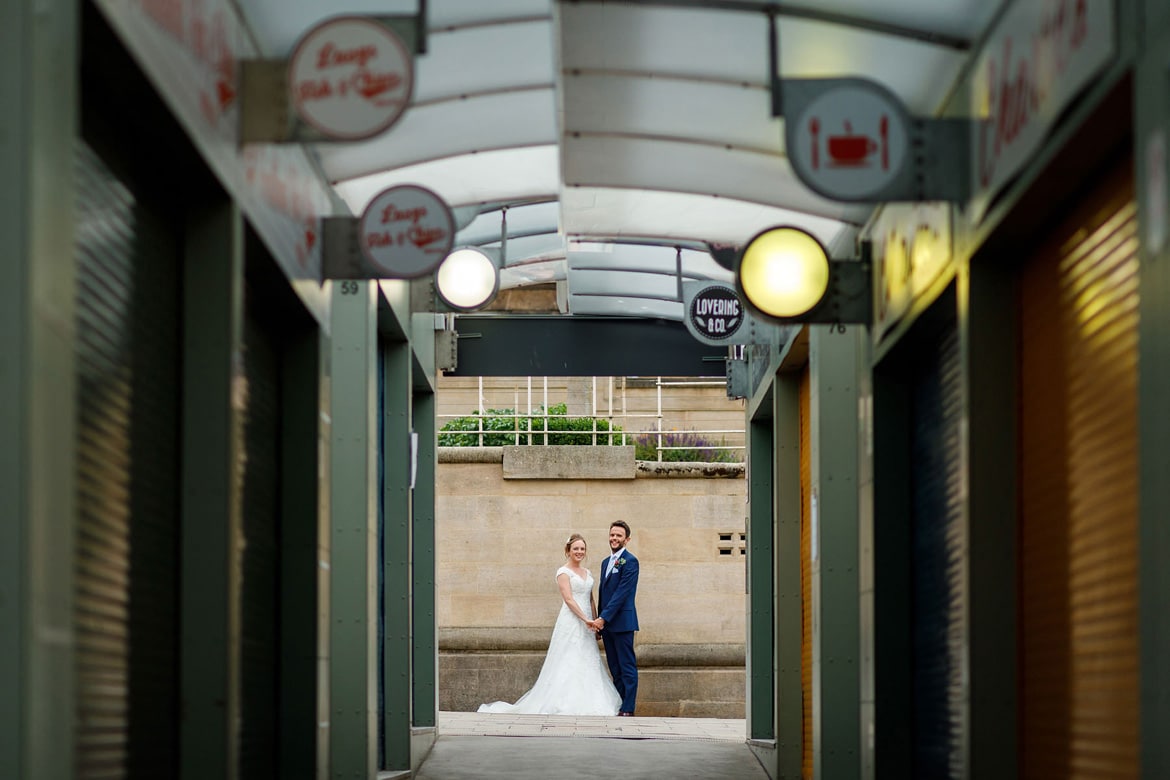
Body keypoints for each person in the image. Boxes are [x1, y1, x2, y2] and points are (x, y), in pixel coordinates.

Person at [477, 534, 621, 716]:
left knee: (586, 658)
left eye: (582, 549)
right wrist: (586, 620)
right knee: (568, 658)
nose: (579, 552)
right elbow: (568, 599)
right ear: (568, 551)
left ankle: (588, 700)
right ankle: (563, 702)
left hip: (589, 624)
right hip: (571, 621)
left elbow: (590, 599)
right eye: (575, 548)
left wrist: (595, 622)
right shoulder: (563, 572)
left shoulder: (588, 573)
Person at [593, 520, 639, 716]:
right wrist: (601, 623)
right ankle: (620, 703)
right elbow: (604, 594)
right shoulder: (605, 562)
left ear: (626, 539)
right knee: (614, 667)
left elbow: (622, 593)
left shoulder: (630, 561)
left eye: (619, 535)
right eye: (612, 535)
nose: (614, 538)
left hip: (622, 623)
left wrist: (603, 618)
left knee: (626, 666)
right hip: (607, 625)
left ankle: (628, 708)